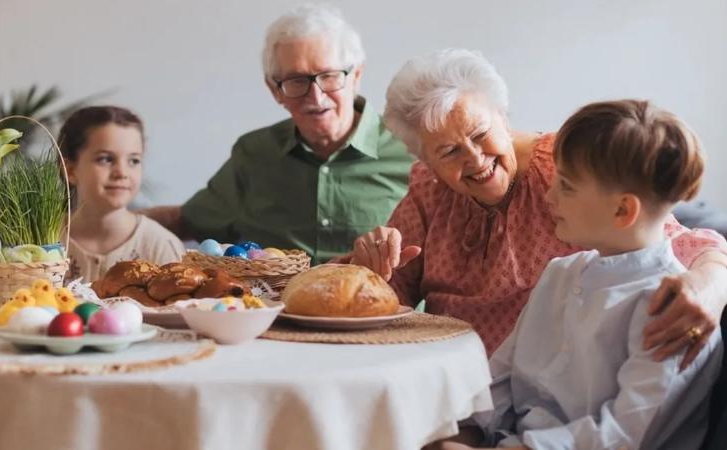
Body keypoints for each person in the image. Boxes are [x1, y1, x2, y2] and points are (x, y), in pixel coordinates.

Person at [340, 49, 727, 365]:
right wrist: (372, 267)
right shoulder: (429, 189)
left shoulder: (572, 169)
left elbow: (673, 241)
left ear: (503, 117)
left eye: (480, 134)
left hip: (551, 391)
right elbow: (390, 292)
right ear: (425, 159)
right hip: (448, 380)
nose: (475, 159)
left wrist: (712, 283)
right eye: (449, 151)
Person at [439, 99, 723, 450]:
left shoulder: (669, 308)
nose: (549, 194)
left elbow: (623, 435)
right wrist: (461, 434)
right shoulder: (559, 273)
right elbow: (501, 378)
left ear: (623, 209)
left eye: (567, 186)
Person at [143, 4, 412, 264]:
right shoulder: (253, 153)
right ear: (275, 90)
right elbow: (187, 220)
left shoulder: (412, 149)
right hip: (273, 309)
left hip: (378, 307)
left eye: (329, 76)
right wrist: (111, 224)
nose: (316, 97)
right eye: (297, 80)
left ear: (356, 76)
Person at [60, 106, 186, 282]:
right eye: (106, 159)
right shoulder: (43, 243)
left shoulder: (161, 247)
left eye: (133, 161)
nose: (122, 172)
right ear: (71, 170)